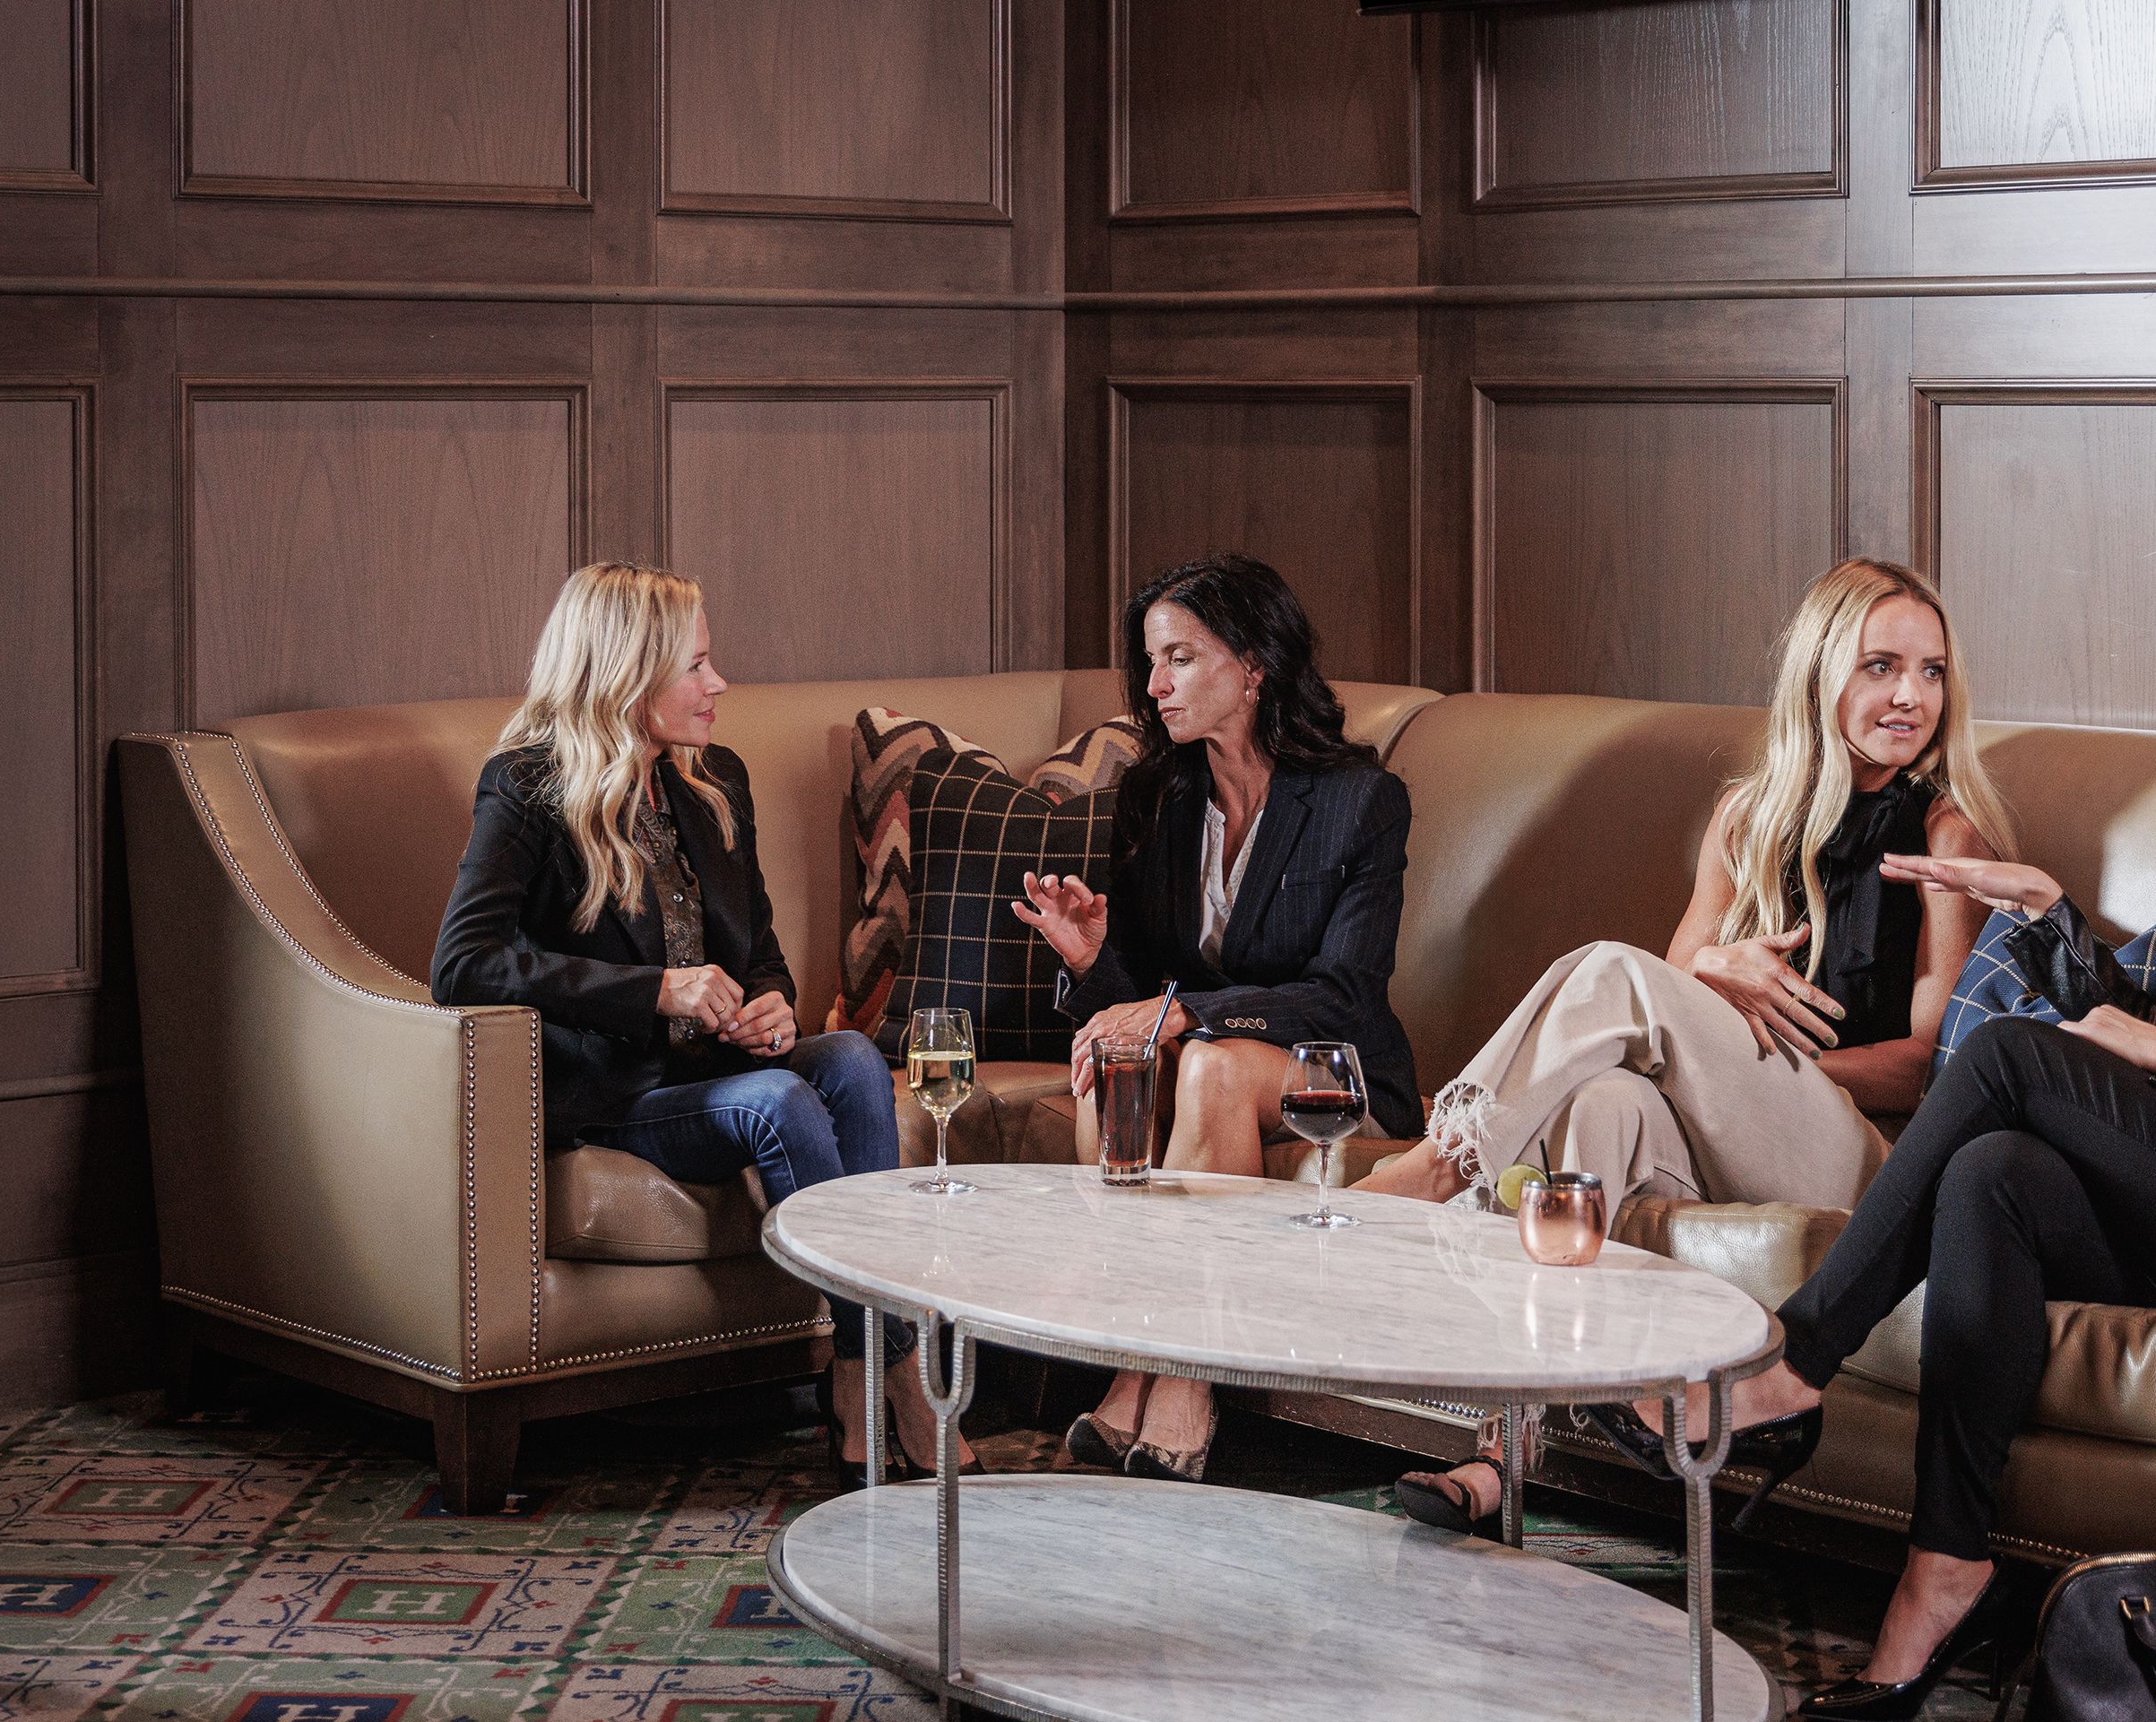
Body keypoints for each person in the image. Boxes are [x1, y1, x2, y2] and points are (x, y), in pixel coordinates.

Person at [1595, 558, 2156, 1722]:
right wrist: (2048, 916)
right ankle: (1947, 1563)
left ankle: (1794, 1357)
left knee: (2008, 1059)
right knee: (1992, 1174)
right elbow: (2130, 1005)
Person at [1354, 558, 2016, 1534]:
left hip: (1866, 1160)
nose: (1910, 696)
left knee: (1615, 977)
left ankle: (1430, 1171)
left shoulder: (1947, 836)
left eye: (1930, 671)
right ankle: (1508, 1452)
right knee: (1602, 1107)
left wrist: (1750, 1049)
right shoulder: (1748, 818)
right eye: (1881, 666)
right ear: (1821, 673)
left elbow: (1927, 1066)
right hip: (1734, 1137)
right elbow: (1663, 1003)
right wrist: (1719, 981)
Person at [431, 563, 970, 1486]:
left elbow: (757, 951)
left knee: (841, 1053)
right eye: (697, 666)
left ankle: (855, 1370)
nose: (717, 686)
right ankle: (895, 1369)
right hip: (616, 1091)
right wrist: (655, 991)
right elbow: (462, 964)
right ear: (624, 674)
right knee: (780, 1100)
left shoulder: (712, 783)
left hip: (713, 1068)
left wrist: (769, 1004)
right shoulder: (525, 787)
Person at [1012, 553, 1419, 1481]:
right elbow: (1144, 995)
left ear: (1253, 664)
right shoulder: (1159, 798)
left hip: (1337, 1067)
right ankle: (1138, 1357)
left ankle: (1183, 1380)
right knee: (1120, 1062)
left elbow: (1345, 994)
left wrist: (1180, 1011)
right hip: (1203, 1046)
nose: (1153, 686)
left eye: (1180, 659)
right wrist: (1092, 964)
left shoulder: (1362, 803)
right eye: (1151, 663)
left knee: (1208, 1064)